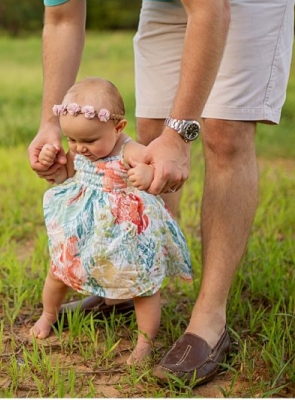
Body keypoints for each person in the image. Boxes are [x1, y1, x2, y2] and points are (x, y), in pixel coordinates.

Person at [0, 0, 295, 386]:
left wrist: (182, 133)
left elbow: (209, 8)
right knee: (147, 140)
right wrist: (50, 124)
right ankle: (129, 281)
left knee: (222, 134)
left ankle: (210, 319)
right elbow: (61, 18)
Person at [30, 77, 192, 367]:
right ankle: (49, 315)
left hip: (124, 235)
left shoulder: (127, 149)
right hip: (84, 231)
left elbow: (154, 164)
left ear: (118, 128)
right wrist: (50, 161)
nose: (79, 148)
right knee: (58, 272)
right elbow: (66, 174)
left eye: (89, 140)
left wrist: (144, 172)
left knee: (141, 287)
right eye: (72, 140)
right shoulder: (79, 150)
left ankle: (145, 343)